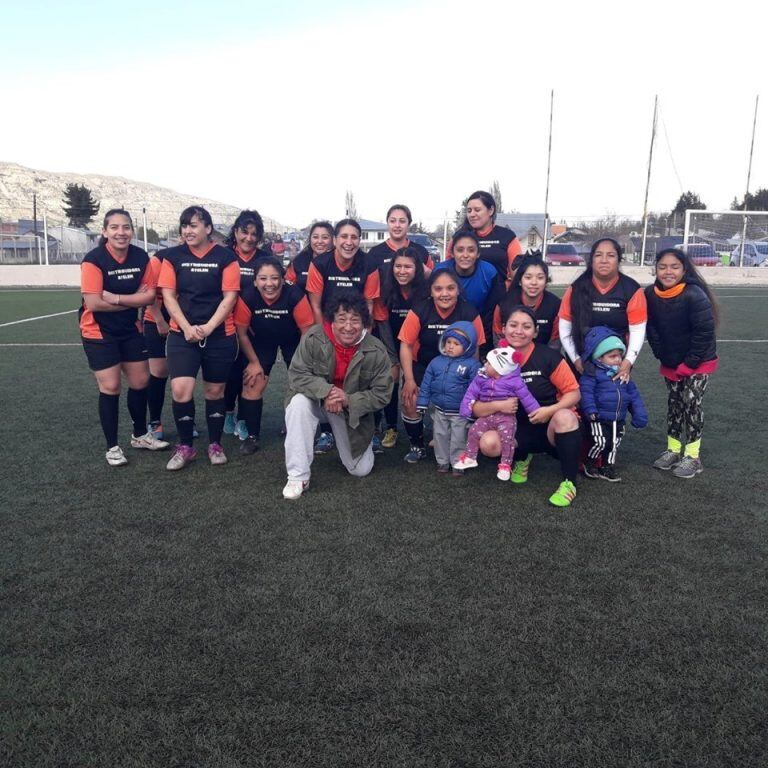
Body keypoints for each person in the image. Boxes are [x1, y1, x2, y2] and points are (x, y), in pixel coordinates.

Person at [282, 291, 393, 500]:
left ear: (364, 322)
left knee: (360, 470)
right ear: (332, 320)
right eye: (341, 319)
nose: (348, 327)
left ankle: (357, 444)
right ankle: (298, 476)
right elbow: (297, 374)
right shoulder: (313, 338)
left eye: (355, 320)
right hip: (317, 402)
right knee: (297, 403)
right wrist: (328, 392)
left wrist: (347, 399)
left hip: (349, 411)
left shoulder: (377, 350)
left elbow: (382, 394)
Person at [79, 208, 169, 465]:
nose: (121, 232)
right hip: (98, 331)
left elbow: (150, 296)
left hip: (129, 329)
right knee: (111, 386)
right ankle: (112, 447)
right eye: (115, 227)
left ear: (132, 230)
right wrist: (133, 300)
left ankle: (140, 435)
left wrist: (117, 298)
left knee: (141, 380)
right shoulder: (93, 260)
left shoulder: (141, 257)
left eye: (126, 227)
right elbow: (94, 304)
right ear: (105, 231)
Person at [157, 205, 240, 470]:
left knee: (215, 391)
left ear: (208, 229)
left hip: (218, 335)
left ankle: (215, 444)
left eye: (193, 225)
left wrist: (208, 327)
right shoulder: (172, 257)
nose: (188, 231)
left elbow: (230, 297)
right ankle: (185, 447)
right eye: (184, 225)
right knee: (181, 390)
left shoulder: (226, 257)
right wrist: (187, 327)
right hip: (183, 335)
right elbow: (168, 297)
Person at [475, 306, 582, 507]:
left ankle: (569, 482)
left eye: (526, 326)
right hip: (515, 430)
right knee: (488, 443)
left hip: (550, 428)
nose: (518, 331)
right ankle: (523, 456)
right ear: (503, 329)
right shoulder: (493, 360)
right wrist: (500, 405)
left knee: (566, 417)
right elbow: (476, 407)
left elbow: (574, 393)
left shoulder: (548, 357)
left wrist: (549, 411)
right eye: (513, 325)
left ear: (535, 332)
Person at [645, 247, 718, 478]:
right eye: (662, 267)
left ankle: (693, 456)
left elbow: (704, 331)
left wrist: (690, 363)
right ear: (655, 269)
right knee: (674, 404)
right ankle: (673, 450)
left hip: (698, 361)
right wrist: (662, 355)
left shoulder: (694, 294)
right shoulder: (650, 294)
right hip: (672, 362)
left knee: (691, 402)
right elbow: (652, 328)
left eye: (674, 267)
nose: (668, 272)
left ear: (684, 269)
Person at [398, 269, 485, 462]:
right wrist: (409, 379)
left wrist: (472, 381)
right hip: (423, 365)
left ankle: (454, 442)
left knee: (463, 405)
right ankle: (417, 445)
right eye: (438, 289)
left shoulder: (469, 312)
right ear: (431, 291)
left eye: (450, 288)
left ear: (458, 290)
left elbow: (474, 349)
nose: (444, 293)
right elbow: (406, 345)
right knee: (410, 399)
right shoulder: (419, 310)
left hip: (458, 368)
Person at [233, 256, 314, 454]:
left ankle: (298, 426)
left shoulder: (294, 294)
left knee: (301, 382)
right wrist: (253, 362)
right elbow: (241, 333)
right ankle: (252, 436)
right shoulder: (248, 296)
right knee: (252, 382)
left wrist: (300, 365)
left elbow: (307, 332)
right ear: (255, 280)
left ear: (283, 279)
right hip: (261, 340)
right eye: (263, 278)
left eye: (274, 278)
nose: (269, 284)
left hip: (293, 340)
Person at [558, 238, 647, 380]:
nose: (604, 260)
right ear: (591, 260)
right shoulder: (576, 288)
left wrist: (628, 361)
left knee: (612, 399)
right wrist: (575, 359)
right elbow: (565, 328)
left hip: (616, 362)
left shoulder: (631, 289)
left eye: (610, 255)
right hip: (582, 361)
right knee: (581, 400)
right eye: (598, 255)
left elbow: (637, 330)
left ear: (619, 260)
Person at [372, 246, 429, 449]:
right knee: (389, 379)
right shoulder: (386, 288)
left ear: (417, 269)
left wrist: (410, 358)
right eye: (398, 266)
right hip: (390, 344)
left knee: (412, 388)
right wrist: (393, 358)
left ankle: (428, 431)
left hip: (417, 346)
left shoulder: (426, 290)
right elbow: (384, 325)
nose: (402, 271)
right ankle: (390, 426)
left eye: (408, 266)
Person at [455, 346, 541, 481]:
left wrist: (535, 412)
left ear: (500, 369)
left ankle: (505, 465)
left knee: (507, 440)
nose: (485, 365)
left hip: (506, 419)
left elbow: (526, 397)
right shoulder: (481, 378)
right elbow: (470, 393)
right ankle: (470, 457)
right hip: (487, 416)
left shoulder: (515, 381)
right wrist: (465, 409)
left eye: (489, 363)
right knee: (473, 431)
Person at [223, 210, 271, 440]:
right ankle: (228, 413)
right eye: (245, 232)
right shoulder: (223, 255)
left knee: (248, 372)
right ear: (235, 232)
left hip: (254, 328)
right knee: (229, 374)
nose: (249, 238)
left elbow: (272, 289)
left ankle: (244, 418)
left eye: (254, 234)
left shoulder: (264, 258)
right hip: (225, 326)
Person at [579, 327, 648, 482]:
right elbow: (586, 393)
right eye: (612, 356)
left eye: (619, 356)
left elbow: (634, 396)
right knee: (601, 441)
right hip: (600, 417)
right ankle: (589, 461)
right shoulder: (591, 375)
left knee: (614, 444)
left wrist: (639, 414)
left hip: (619, 419)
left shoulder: (624, 376)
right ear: (599, 358)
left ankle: (608, 466)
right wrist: (590, 410)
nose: (618, 360)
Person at [414, 321, 481, 475]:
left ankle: (458, 463)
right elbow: (426, 384)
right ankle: (442, 462)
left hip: (460, 412)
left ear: (468, 347)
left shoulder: (472, 365)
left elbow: (475, 389)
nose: (450, 346)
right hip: (439, 409)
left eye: (456, 343)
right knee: (439, 436)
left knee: (459, 438)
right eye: (448, 342)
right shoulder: (436, 362)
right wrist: (423, 402)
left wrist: (471, 410)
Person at [434, 229, 505, 355]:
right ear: (452, 253)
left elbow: (493, 310)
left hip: (479, 326)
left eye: (471, 250)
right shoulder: (440, 270)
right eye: (460, 250)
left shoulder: (489, 272)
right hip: (445, 328)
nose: (465, 255)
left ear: (478, 253)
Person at [305, 218, 380, 325]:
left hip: (356, 327)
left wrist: (364, 335)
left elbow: (369, 304)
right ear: (335, 240)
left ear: (359, 241)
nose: (349, 242)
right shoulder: (319, 264)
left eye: (354, 237)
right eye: (344, 236)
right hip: (327, 326)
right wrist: (322, 338)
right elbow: (316, 306)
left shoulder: (370, 265)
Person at [451, 190, 523, 280]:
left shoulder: (507, 236)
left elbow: (518, 275)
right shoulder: (459, 237)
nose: (472, 214)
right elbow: (447, 271)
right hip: (465, 292)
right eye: (469, 211)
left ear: (491, 210)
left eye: (477, 210)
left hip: (499, 292)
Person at [493, 252, 561, 346]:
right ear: (520, 281)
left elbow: (555, 342)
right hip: (510, 356)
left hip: (543, 356)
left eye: (540, 278)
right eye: (528, 277)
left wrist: (545, 359)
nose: (534, 282)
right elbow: (498, 337)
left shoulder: (555, 305)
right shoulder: (504, 303)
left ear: (546, 281)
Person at [366, 204, 434, 271]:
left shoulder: (421, 252)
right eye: (392, 221)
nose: (397, 225)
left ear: (409, 224)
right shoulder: (375, 253)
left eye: (402, 221)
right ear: (387, 223)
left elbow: (432, 279)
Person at [285, 221, 334, 291]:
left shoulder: (340, 261)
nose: (319, 241)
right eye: (315, 237)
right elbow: (287, 287)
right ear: (310, 239)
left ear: (333, 240)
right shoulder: (299, 260)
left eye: (325, 237)